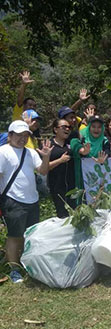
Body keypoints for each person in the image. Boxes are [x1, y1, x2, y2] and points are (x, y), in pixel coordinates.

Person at [0, 120, 52, 283]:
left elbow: (42, 170)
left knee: (29, 234)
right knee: (14, 236)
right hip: (13, 199)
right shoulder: (3, 152)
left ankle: (26, 263)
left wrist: (46, 157)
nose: (22, 139)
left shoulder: (30, 152)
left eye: (25, 135)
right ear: (10, 135)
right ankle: (14, 269)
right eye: (18, 135)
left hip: (32, 200)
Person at [70, 115, 110, 192]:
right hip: (83, 178)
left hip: (100, 177)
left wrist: (103, 159)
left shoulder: (105, 141)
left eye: (99, 127)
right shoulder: (82, 139)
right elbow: (74, 145)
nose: (96, 129)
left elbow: (107, 152)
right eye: (93, 126)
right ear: (89, 127)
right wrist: (83, 151)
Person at [48, 119, 75, 218]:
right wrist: (60, 160)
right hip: (57, 187)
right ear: (55, 129)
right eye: (64, 127)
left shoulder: (71, 144)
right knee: (62, 216)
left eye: (69, 127)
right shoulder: (48, 145)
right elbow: (44, 168)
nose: (67, 129)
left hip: (73, 187)